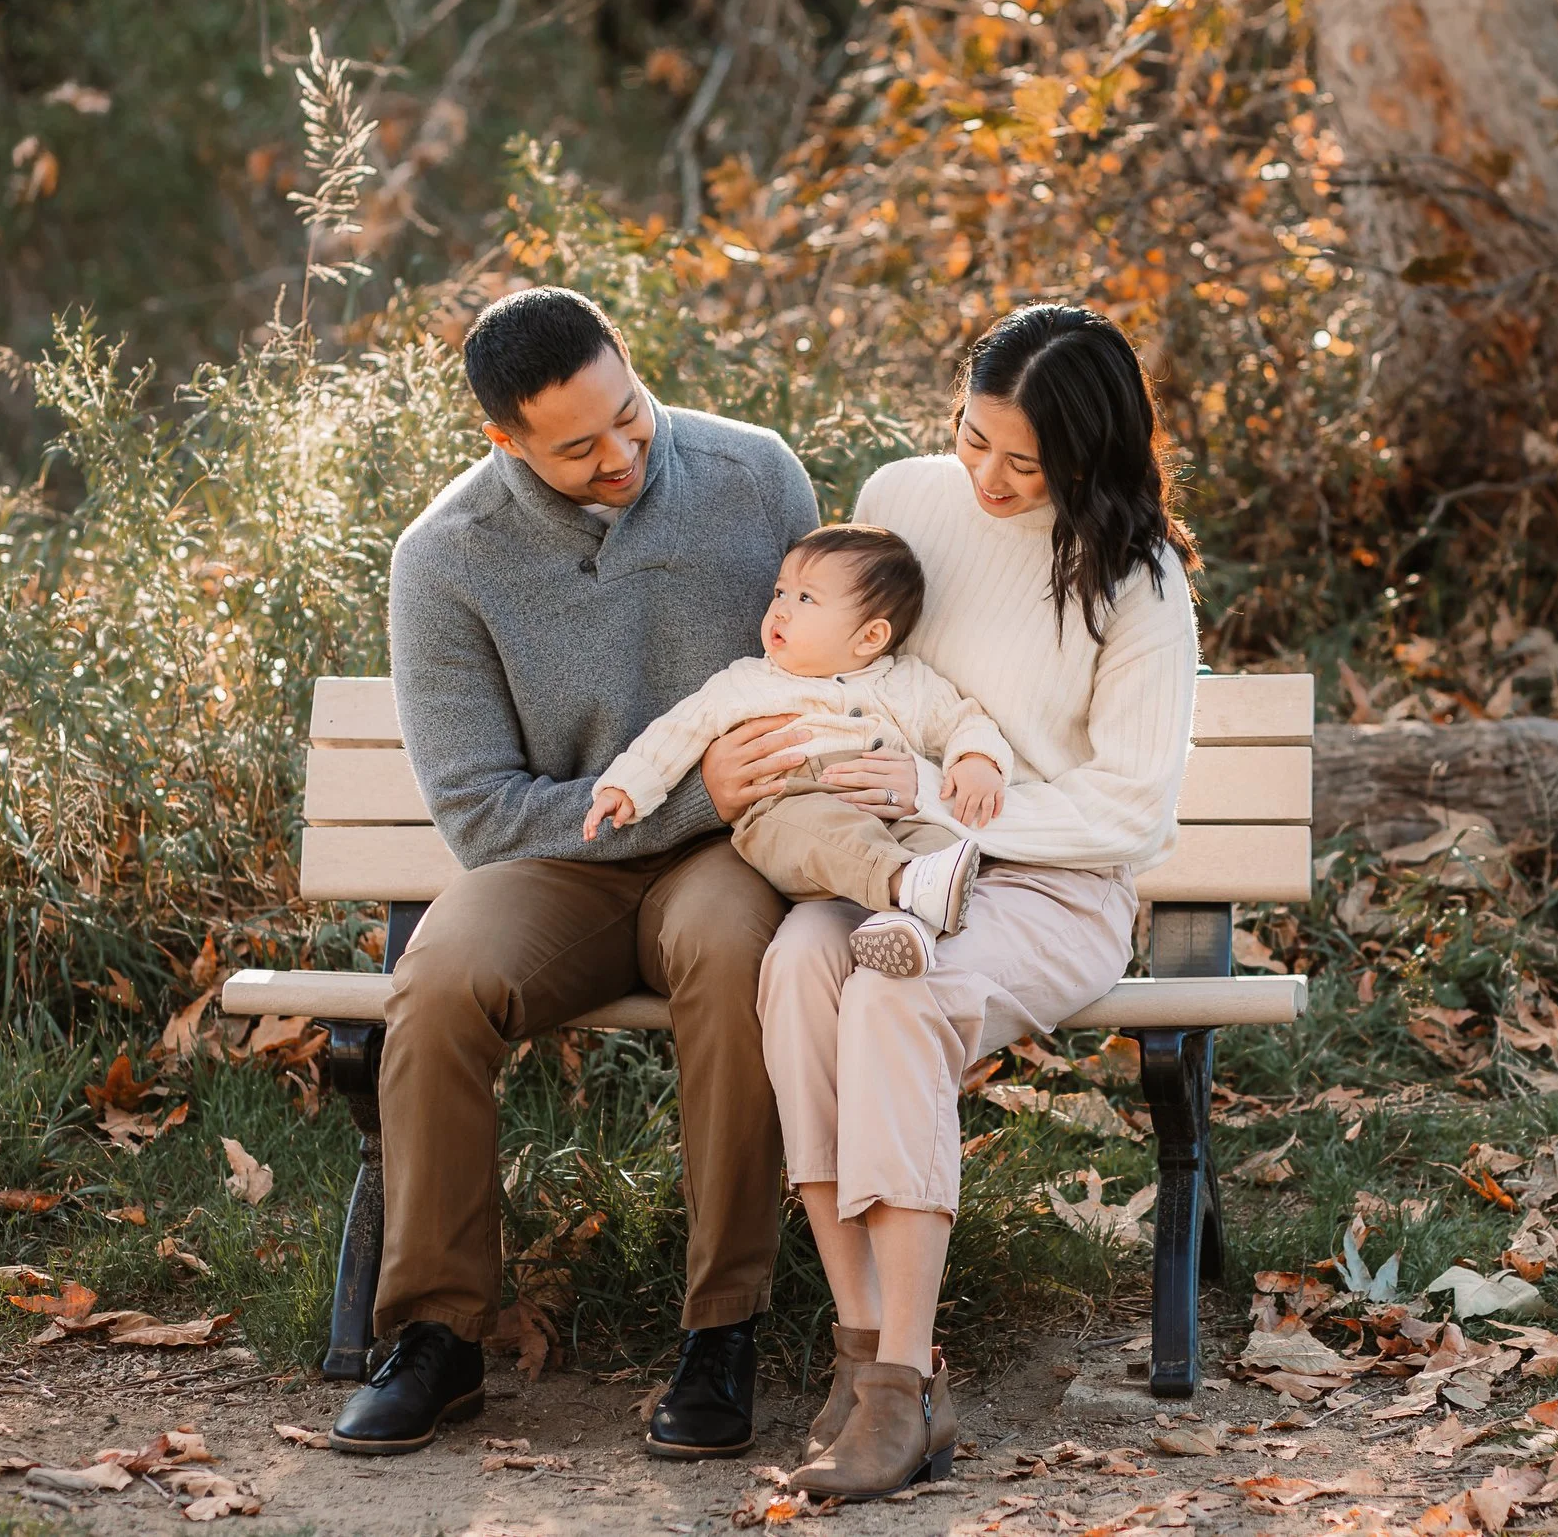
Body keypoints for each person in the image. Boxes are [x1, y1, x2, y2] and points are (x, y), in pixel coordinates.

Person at [330, 286, 826, 1459]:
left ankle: (721, 1328)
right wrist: (693, 790)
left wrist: (749, 798)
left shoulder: (757, 476)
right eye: (576, 447)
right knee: (438, 980)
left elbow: (830, 667)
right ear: (502, 439)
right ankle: (438, 1335)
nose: (621, 455)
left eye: (629, 412)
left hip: (735, 851)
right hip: (564, 856)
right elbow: (479, 814)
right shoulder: (445, 556)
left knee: (728, 952)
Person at [758, 303, 1201, 1499]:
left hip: (1052, 887)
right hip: (888, 861)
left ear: (1090, 455)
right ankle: (866, 1353)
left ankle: (902, 1384)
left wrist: (947, 804)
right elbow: (853, 660)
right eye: (973, 439)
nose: (989, 479)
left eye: (1027, 462)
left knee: (897, 995)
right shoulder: (902, 495)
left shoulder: (1139, 582)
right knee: (798, 966)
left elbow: (1131, 810)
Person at [582, 523, 1012, 978]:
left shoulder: (911, 684)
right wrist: (626, 786)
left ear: (870, 637)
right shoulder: (746, 680)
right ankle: (903, 884)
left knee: (941, 843)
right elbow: (678, 730)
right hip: (788, 803)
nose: (780, 610)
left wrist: (976, 760)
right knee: (813, 829)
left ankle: (907, 926)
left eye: (805, 598)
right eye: (780, 592)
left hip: (890, 814)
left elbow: (966, 720)